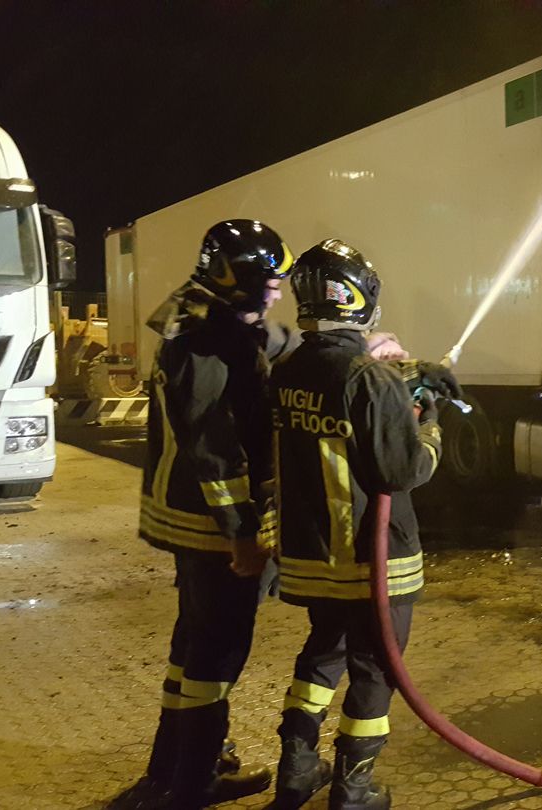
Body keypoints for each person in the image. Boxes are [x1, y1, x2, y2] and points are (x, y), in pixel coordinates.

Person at [266, 239, 459, 810]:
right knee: (376, 667)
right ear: (359, 298)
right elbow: (403, 470)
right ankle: (354, 790)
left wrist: (407, 379)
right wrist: (428, 424)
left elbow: (345, 402)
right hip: (375, 560)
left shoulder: (286, 369)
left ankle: (297, 767)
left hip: (311, 555)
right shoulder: (367, 380)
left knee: (323, 652)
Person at [112, 220, 293, 809]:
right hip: (209, 525)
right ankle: (193, 785)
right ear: (232, 277)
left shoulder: (201, 317)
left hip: (183, 518)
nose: (277, 292)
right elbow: (215, 448)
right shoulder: (211, 341)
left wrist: (360, 345)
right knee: (216, 654)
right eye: (268, 281)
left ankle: (171, 770)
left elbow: (268, 341)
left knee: (191, 646)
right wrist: (243, 534)